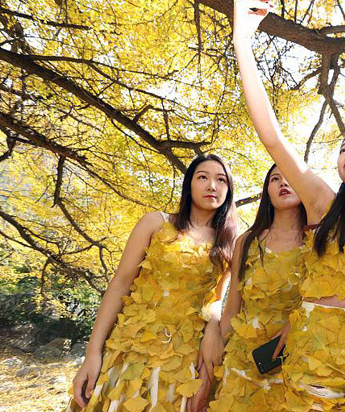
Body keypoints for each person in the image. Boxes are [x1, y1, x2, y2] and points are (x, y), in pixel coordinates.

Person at [231, 0, 345, 411]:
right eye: (342, 148)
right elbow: (272, 137)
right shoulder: (324, 205)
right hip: (317, 356)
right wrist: (243, 39)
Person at [67, 154, 237, 412]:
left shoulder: (229, 243)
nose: (212, 185)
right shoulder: (155, 223)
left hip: (185, 355)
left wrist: (213, 327)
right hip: (132, 346)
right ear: (189, 184)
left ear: (228, 189)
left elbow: (216, 300)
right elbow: (121, 283)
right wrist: (92, 353)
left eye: (221, 180)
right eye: (203, 177)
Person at [203, 164, 306, 411]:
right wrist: (214, 374)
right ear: (267, 190)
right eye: (275, 179)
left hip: (297, 365)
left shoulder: (318, 240)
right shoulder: (247, 241)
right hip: (242, 365)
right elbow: (232, 310)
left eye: (290, 177)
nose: (283, 183)